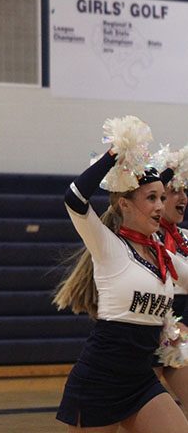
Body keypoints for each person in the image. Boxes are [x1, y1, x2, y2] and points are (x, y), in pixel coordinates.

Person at [53, 132, 188, 432]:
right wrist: (114, 154)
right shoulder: (108, 246)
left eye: (162, 198)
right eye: (151, 198)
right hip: (100, 380)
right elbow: (74, 198)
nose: (159, 206)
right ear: (125, 205)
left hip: (141, 381)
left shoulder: (163, 255)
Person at [157, 165, 188, 413]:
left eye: (185, 191)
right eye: (175, 190)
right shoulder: (141, 238)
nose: (184, 198)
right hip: (146, 329)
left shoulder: (185, 237)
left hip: (179, 334)